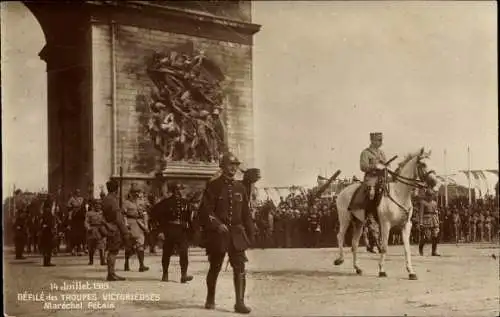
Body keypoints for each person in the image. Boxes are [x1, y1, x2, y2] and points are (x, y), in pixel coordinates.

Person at [198, 152, 254, 314]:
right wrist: (216, 225)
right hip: (219, 234)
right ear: (222, 166)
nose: (233, 168)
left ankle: (239, 303)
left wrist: (249, 235)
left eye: (236, 165)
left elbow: (246, 213)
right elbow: (206, 210)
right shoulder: (213, 186)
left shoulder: (240, 188)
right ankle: (210, 298)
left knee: (240, 267)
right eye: (230, 165)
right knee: (215, 266)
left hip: (236, 234)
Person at [152, 182, 194, 283]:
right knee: (166, 253)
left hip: (182, 231)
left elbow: (189, 218)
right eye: (177, 190)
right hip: (169, 230)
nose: (179, 192)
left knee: (184, 253)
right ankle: (165, 274)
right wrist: (160, 231)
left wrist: (190, 230)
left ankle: (184, 275)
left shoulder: (186, 203)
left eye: (181, 190)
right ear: (173, 191)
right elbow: (155, 216)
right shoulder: (165, 203)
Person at [102, 179, 130, 281]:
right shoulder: (113, 200)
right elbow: (118, 218)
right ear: (116, 189)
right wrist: (125, 232)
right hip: (114, 228)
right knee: (113, 251)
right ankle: (111, 274)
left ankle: (111, 273)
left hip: (109, 227)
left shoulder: (105, 199)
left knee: (111, 251)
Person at [359, 132, 388, 220]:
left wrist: (386, 167)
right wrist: (375, 166)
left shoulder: (382, 153)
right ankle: (370, 214)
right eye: (379, 140)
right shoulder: (365, 153)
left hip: (382, 178)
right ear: (372, 140)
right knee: (371, 193)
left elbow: (386, 165)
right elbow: (363, 167)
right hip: (371, 178)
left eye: (381, 140)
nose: (381, 142)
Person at [123, 184, 150, 272]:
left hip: (140, 224)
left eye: (138, 192)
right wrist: (126, 224)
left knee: (140, 244)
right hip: (131, 224)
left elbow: (145, 213)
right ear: (130, 193)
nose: (137, 194)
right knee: (129, 246)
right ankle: (126, 263)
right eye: (135, 192)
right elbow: (123, 215)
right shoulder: (126, 203)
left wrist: (145, 225)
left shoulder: (141, 202)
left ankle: (141, 265)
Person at [418, 189, 441, 256]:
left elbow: (436, 212)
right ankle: (420, 248)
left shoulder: (434, 203)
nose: (430, 197)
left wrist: (437, 221)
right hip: (426, 220)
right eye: (429, 195)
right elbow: (421, 213)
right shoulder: (423, 202)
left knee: (435, 236)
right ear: (426, 195)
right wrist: (421, 223)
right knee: (426, 237)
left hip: (434, 220)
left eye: (431, 195)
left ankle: (434, 251)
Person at [85, 199, 107, 266]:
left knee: (102, 246)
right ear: (94, 205)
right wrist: (88, 228)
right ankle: (91, 261)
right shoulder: (89, 213)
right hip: (92, 230)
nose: (98, 206)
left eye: (99, 204)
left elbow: (107, 221)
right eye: (96, 204)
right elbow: (86, 222)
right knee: (91, 247)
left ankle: (102, 261)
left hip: (101, 230)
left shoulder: (103, 213)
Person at [39, 195, 57, 266]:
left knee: (47, 247)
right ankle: (47, 262)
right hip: (47, 232)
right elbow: (47, 223)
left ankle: (46, 261)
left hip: (47, 232)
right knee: (48, 247)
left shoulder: (45, 213)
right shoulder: (47, 214)